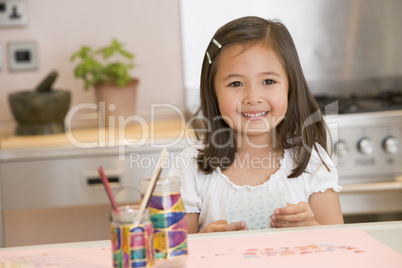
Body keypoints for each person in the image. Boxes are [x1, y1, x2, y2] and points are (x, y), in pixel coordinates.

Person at [169, 16, 344, 234]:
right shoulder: (191, 168)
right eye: (236, 83)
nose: (253, 97)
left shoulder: (311, 160)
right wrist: (202, 242)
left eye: (268, 81)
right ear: (213, 93)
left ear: (290, 86)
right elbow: (175, 252)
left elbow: (339, 246)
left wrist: (312, 228)